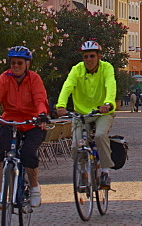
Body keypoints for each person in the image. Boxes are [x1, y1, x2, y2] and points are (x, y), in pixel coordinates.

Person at [0, 46, 50, 210]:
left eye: (19, 63)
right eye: (13, 63)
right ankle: (0, 194)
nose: (16, 66)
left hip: (32, 122)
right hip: (10, 121)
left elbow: (40, 98)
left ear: (27, 65)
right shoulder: (4, 78)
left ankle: (34, 188)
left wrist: (42, 115)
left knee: (28, 154)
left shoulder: (34, 79)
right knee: (2, 154)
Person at [56, 40, 118, 190]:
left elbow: (111, 84)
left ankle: (105, 171)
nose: (88, 60)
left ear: (99, 56)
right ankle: (83, 172)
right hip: (81, 114)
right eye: (85, 57)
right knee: (77, 144)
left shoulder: (106, 68)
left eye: (92, 56)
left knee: (100, 135)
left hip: (102, 112)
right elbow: (67, 86)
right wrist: (61, 105)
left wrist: (108, 103)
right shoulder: (76, 70)